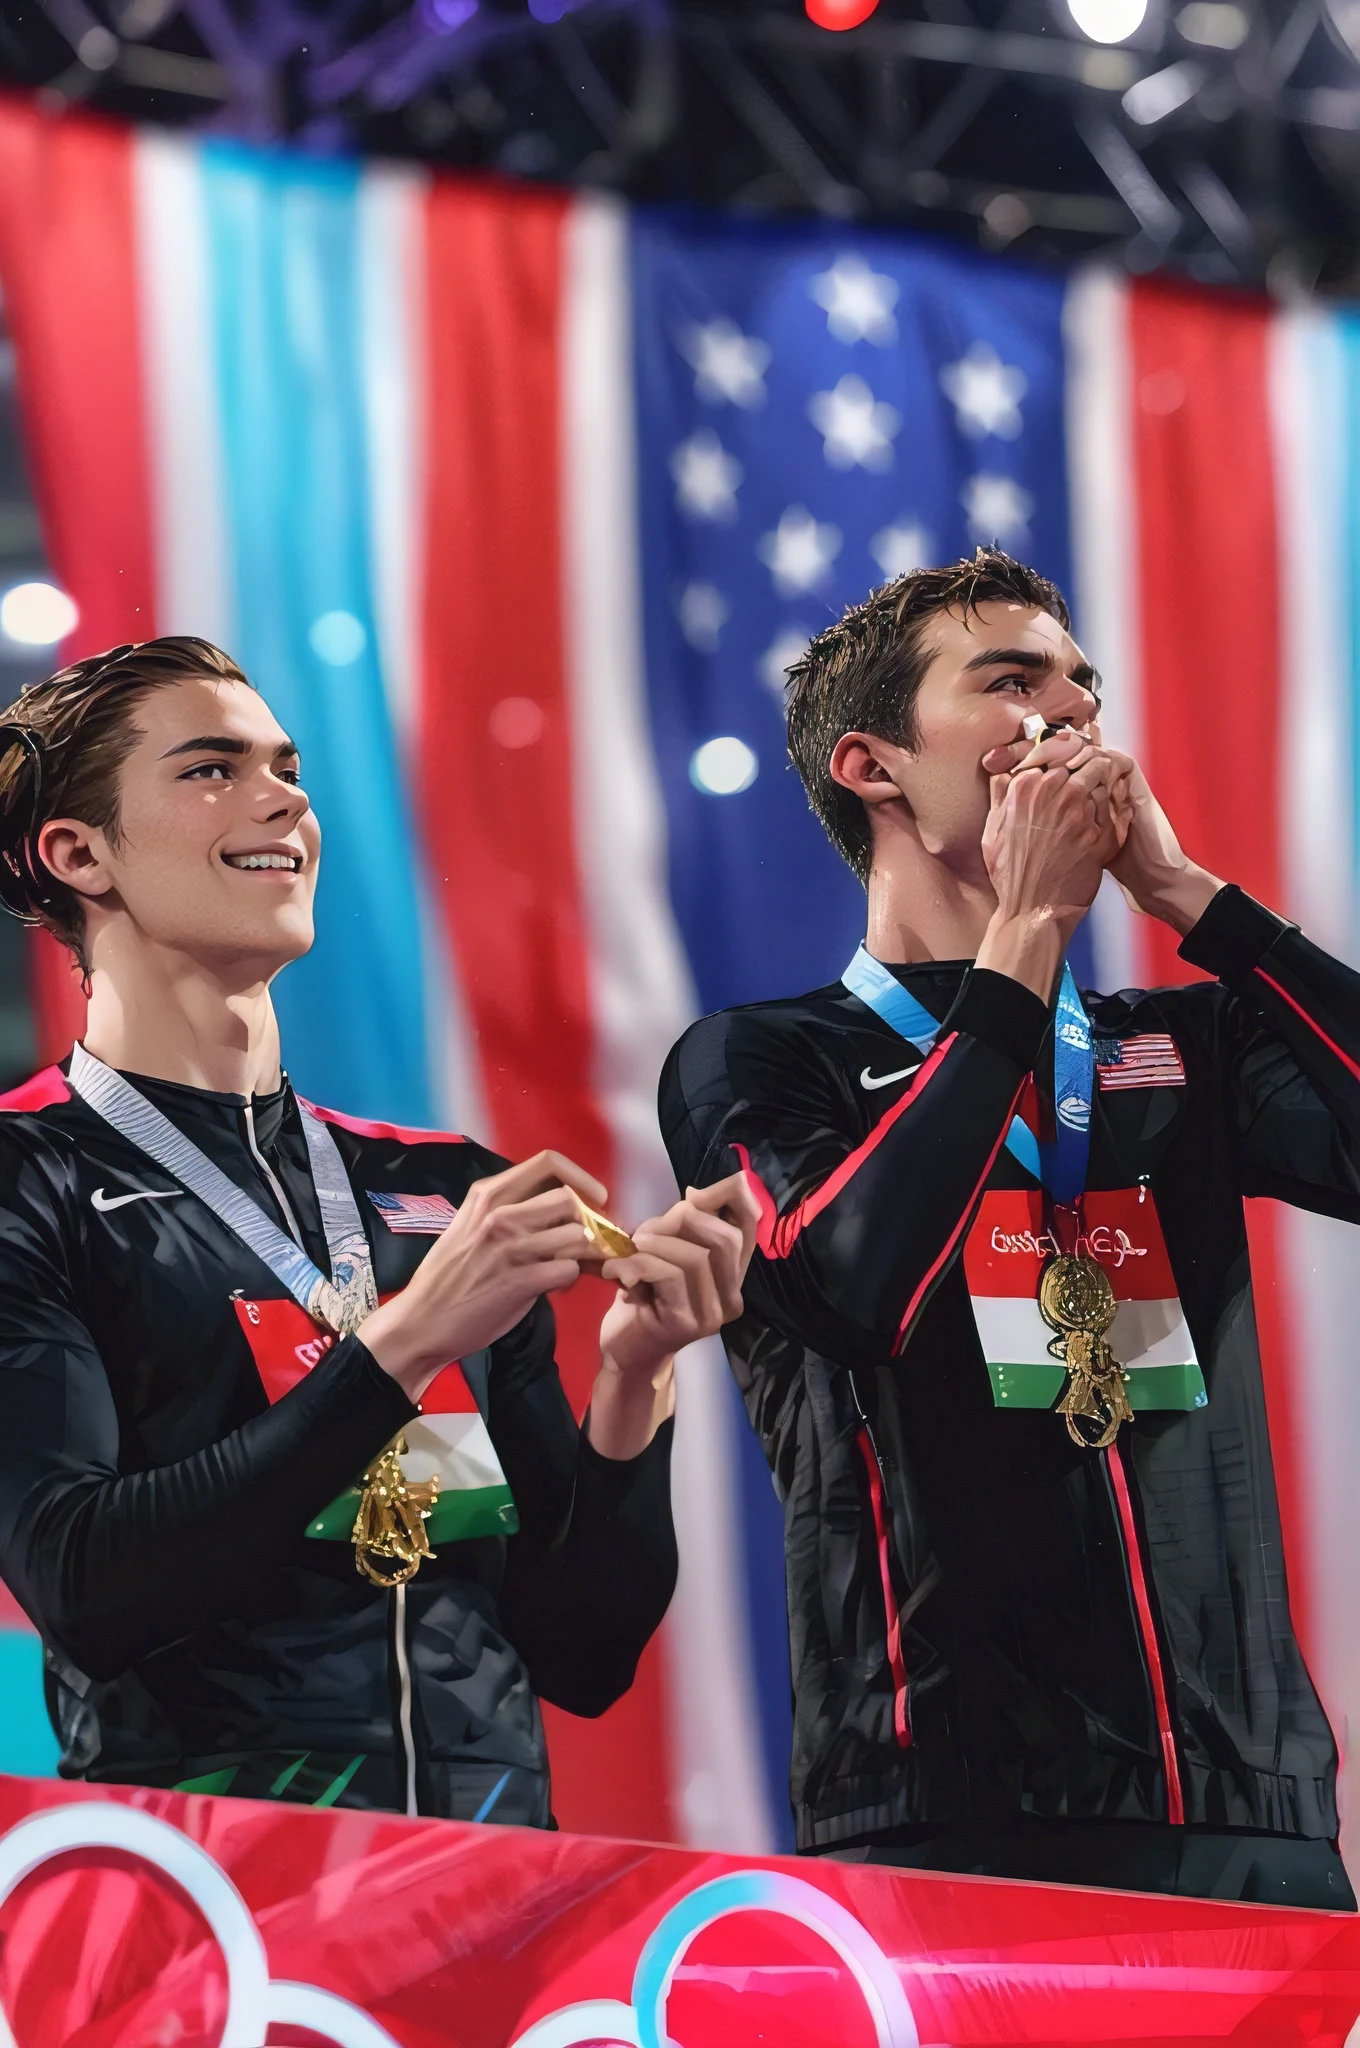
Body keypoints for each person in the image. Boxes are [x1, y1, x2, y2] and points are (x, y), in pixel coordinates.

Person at [660, 547, 1360, 1909]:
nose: (1076, 711)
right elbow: (855, 1283)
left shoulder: (1178, 1045)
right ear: (874, 766)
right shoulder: (758, 1060)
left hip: (1250, 1809)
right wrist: (1026, 934)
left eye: (1084, 681)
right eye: (1012, 682)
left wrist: (1200, 908)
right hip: (951, 1809)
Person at [0, 636, 755, 1824]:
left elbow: (580, 1653)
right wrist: (402, 1347)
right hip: (218, 1898)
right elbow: (84, 1581)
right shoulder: (25, 1175)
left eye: (286, 766)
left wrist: (633, 1379)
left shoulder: (443, 1187)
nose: (284, 796)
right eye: (212, 769)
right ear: (78, 852)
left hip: (490, 1888)